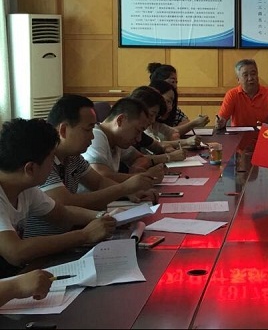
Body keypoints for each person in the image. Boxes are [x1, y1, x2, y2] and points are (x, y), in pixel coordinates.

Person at [24, 95, 158, 238]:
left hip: (70, 235)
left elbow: (99, 182)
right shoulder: (42, 161)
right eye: (88, 130)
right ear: (63, 130)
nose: (92, 137)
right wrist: (124, 188)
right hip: (48, 243)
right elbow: (66, 203)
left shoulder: (73, 157)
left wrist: (130, 193)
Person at [0, 119, 116, 278]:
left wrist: (101, 217)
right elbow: (16, 252)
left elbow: (62, 213)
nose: (53, 166)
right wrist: (84, 235)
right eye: (51, 160)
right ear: (30, 168)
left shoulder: (26, 189)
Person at [81, 97, 165, 184]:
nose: (139, 139)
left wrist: (137, 167)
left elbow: (140, 158)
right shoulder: (95, 136)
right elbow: (101, 177)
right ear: (120, 120)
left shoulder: (117, 139)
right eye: (138, 131)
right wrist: (146, 176)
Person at [215, 58, 268, 130]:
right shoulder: (232, 94)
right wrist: (220, 122)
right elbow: (222, 118)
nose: (250, 78)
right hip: (239, 135)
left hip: (264, 134)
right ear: (238, 80)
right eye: (245, 75)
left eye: (253, 74)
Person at [147, 62, 210, 135]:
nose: (175, 86)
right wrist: (193, 124)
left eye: (176, 82)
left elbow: (181, 124)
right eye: (172, 81)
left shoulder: (171, 105)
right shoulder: (149, 106)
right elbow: (163, 135)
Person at [147, 80, 202, 148]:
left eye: (171, 102)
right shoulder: (145, 122)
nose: (170, 108)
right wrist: (186, 142)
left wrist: (177, 138)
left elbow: (172, 132)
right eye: (168, 101)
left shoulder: (156, 124)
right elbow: (155, 144)